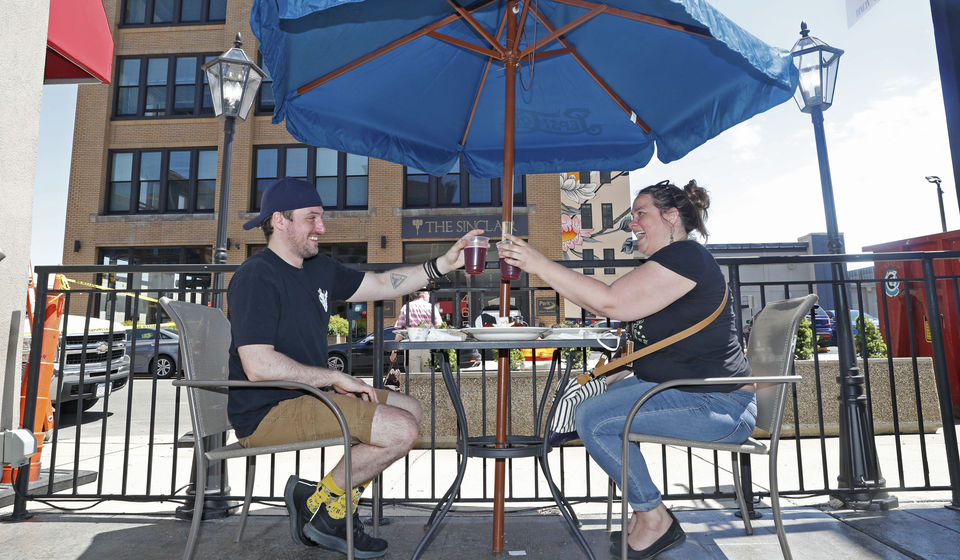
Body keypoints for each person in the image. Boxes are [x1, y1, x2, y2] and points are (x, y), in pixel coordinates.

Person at [499, 179, 756, 559]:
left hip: (717, 406)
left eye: (640, 214)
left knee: (593, 418)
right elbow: (632, 322)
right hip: (686, 393)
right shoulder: (670, 264)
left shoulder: (686, 256)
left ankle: (654, 517)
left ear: (671, 217)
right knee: (591, 407)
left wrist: (537, 263)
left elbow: (611, 303)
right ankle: (647, 513)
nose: (631, 223)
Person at [228, 177, 483, 559]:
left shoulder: (317, 269)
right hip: (267, 410)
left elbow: (383, 283)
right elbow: (258, 364)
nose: (322, 228)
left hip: (311, 397)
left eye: (321, 218)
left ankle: (322, 503)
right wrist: (334, 376)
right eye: (312, 218)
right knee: (400, 430)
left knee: (409, 408)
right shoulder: (256, 275)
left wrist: (444, 263)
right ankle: (326, 509)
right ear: (280, 221)